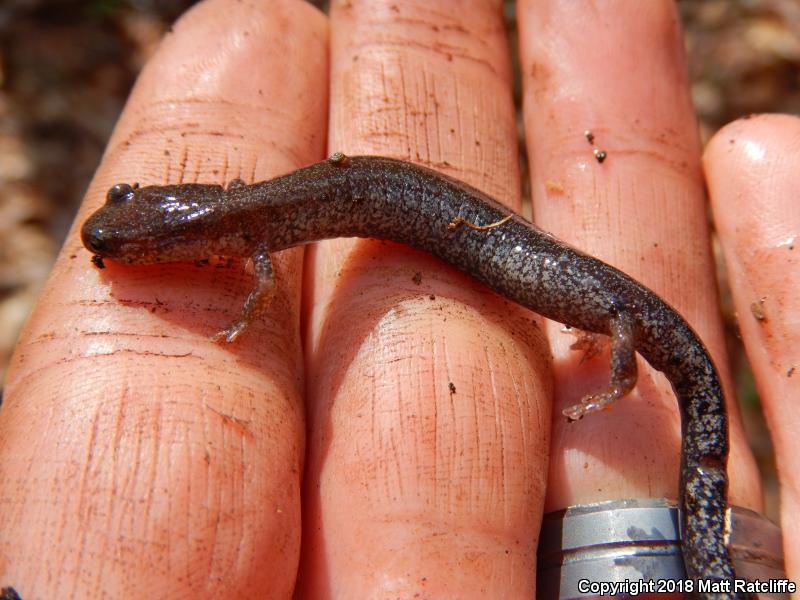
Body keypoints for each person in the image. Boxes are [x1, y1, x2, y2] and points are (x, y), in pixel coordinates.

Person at [0, 1, 796, 597]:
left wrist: (616, 377)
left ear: (177, 242)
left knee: (674, 367)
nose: (129, 257)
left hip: (521, 258)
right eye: (131, 249)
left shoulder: (247, 235)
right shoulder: (248, 229)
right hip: (470, 233)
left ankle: (719, 572)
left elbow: (260, 282)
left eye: (137, 248)